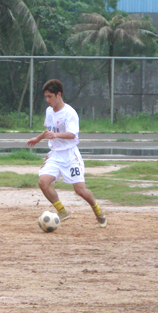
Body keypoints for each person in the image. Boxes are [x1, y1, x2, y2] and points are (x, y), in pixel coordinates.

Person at [26, 79, 107, 228]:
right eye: (46, 97)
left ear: (59, 95)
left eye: (50, 96)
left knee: (80, 190)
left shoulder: (69, 113)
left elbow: (72, 134)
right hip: (55, 155)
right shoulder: (49, 111)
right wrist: (37, 139)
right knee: (43, 182)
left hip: (70, 156)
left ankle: (98, 211)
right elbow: (49, 130)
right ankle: (62, 212)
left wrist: (56, 135)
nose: (47, 100)